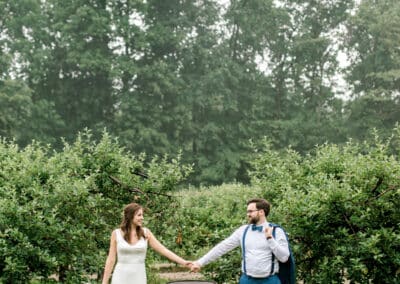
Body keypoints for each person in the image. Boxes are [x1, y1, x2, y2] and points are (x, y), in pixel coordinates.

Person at [190, 198, 290, 284]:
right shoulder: (243, 231)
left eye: (251, 211)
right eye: (247, 211)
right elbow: (222, 247)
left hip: (270, 281)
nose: (248, 214)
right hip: (246, 280)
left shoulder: (277, 231)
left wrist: (270, 239)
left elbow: (284, 257)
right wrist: (200, 262)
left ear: (261, 212)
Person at [102, 202, 191, 284]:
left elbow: (164, 250)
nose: (142, 218)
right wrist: (104, 283)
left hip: (139, 277)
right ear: (130, 216)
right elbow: (111, 260)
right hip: (120, 277)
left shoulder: (146, 233)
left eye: (142, 215)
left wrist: (184, 262)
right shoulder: (116, 233)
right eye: (139, 215)